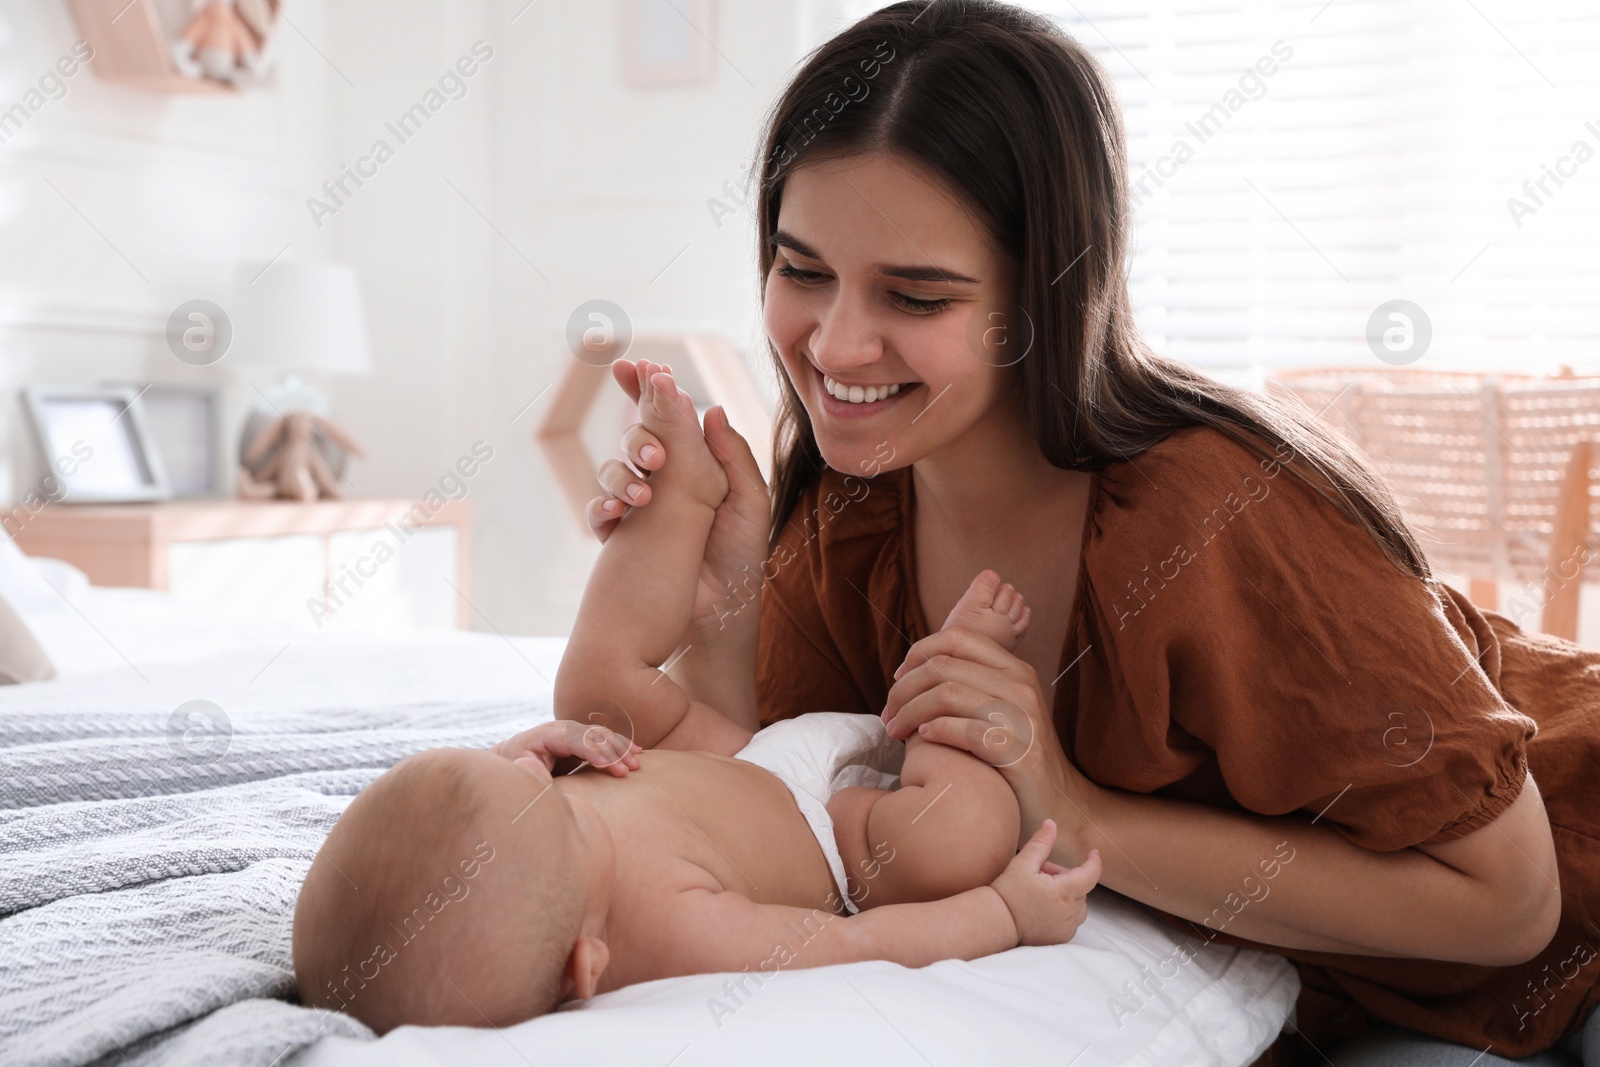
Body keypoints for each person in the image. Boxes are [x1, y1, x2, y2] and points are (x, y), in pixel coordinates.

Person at [582, 3, 1600, 1064]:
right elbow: (763, 805)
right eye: (801, 271)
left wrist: (1067, 806)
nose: (834, 342)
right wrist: (722, 591)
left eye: (916, 293)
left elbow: (1507, 900)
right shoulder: (855, 510)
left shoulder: (1214, 511)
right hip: (1292, 996)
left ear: (1046, 295)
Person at [291, 363, 1100, 1034]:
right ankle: (954, 670)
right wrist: (1003, 913)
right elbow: (853, 945)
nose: (545, 773)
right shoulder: (679, 933)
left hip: (714, 751)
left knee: (594, 690)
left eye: (520, 774)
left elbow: (515, 786)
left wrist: (539, 744)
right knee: (951, 841)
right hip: (831, 834)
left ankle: (679, 501)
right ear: (588, 965)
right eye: (555, 802)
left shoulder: (528, 834)